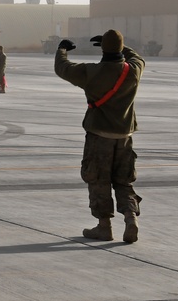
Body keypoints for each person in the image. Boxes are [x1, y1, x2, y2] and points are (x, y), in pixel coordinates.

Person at [54, 30, 145, 243]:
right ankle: (131, 218)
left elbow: (62, 68)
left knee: (98, 180)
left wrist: (62, 50)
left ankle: (104, 227)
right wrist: (121, 47)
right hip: (124, 136)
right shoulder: (133, 71)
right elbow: (138, 58)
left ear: (103, 48)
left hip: (99, 135)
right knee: (123, 181)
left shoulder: (92, 72)